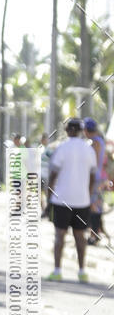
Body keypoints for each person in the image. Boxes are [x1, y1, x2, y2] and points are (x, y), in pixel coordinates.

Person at [47, 117, 97, 283]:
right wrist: (88, 196)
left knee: (60, 235)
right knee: (80, 236)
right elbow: (92, 176)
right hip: (82, 199)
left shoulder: (61, 148)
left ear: (67, 130)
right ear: (82, 131)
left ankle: (57, 270)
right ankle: (82, 272)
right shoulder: (88, 149)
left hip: (61, 199)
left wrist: (49, 198)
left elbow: (53, 175)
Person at [84, 118, 109, 245]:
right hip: (100, 177)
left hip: (95, 178)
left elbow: (91, 163)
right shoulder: (99, 141)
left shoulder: (95, 143)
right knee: (96, 206)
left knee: (94, 206)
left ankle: (94, 235)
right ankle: (95, 234)